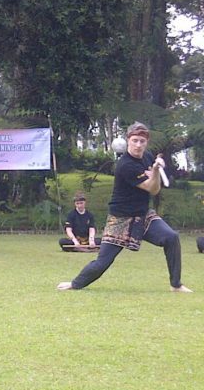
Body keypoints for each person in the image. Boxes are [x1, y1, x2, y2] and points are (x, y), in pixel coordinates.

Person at [58, 122, 192, 293]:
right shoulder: (125, 165)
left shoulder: (147, 156)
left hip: (143, 215)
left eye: (142, 141)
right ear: (128, 140)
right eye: (135, 140)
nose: (138, 145)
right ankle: (75, 284)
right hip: (120, 218)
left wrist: (156, 167)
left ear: (146, 142)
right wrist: (156, 171)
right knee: (103, 261)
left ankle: (176, 284)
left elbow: (156, 188)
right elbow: (151, 187)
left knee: (171, 237)